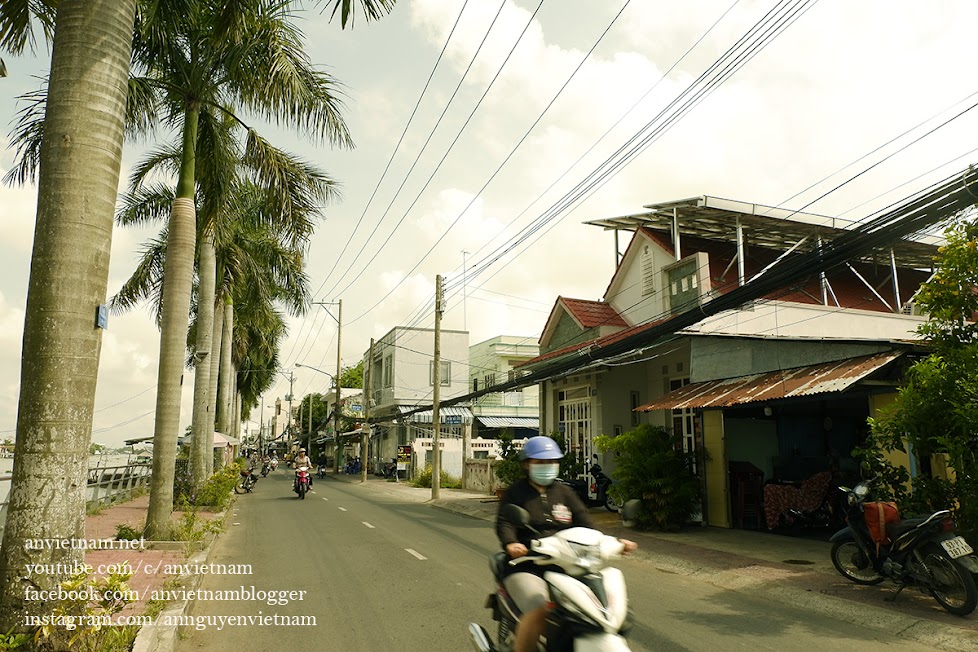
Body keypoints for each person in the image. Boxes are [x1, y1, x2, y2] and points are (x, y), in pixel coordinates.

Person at [495, 436, 637, 652]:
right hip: (528, 564)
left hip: (567, 564)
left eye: (552, 462)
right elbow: (505, 521)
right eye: (540, 462)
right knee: (540, 608)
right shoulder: (516, 492)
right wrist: (512, 543)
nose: (547, 467)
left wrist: (614, 543)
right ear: (527, 464)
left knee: (601, 608)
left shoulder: (564, 492)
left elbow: (586, 524)